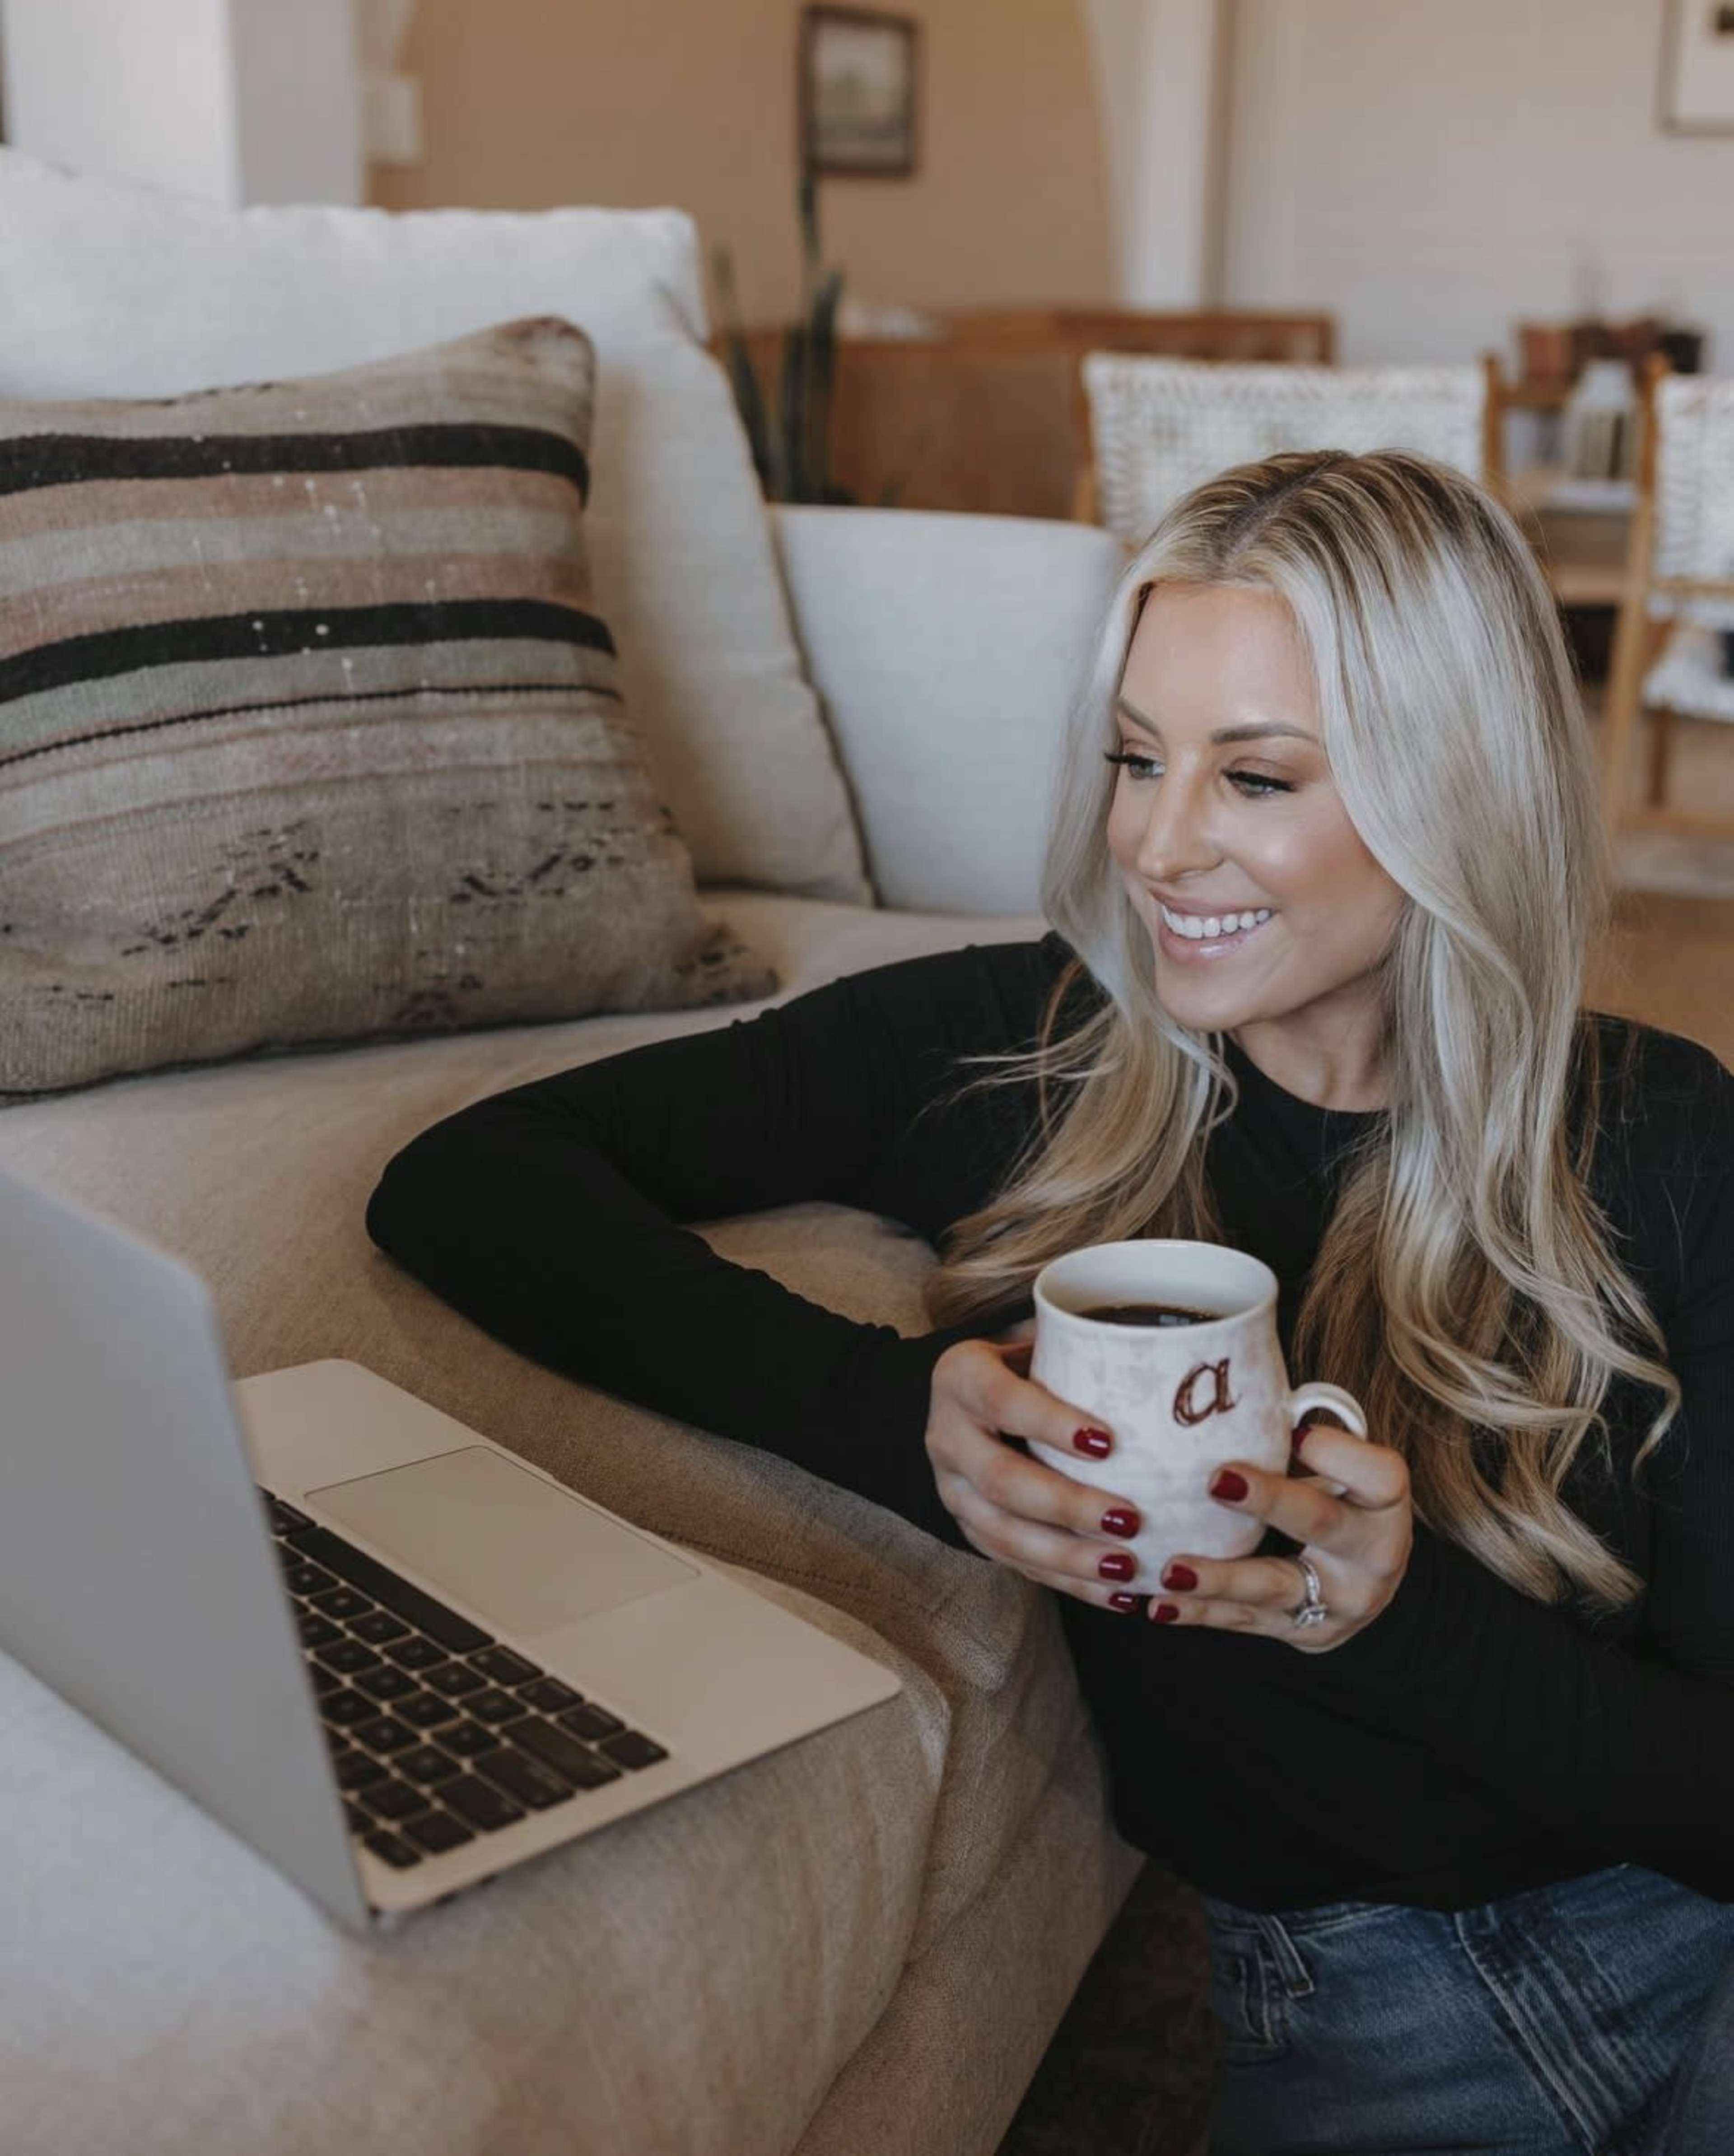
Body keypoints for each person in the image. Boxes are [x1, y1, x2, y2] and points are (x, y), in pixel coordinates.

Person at [365, 450, 1734, 2155]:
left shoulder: (1664, 1140)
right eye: (1137, 758)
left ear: (1455, 791)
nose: (1157, 843)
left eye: (1255, 776)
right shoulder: (1024, 1055)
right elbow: (468, 1180)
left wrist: (1395, 1618)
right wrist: (897, 1416)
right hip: (1367, 2008)